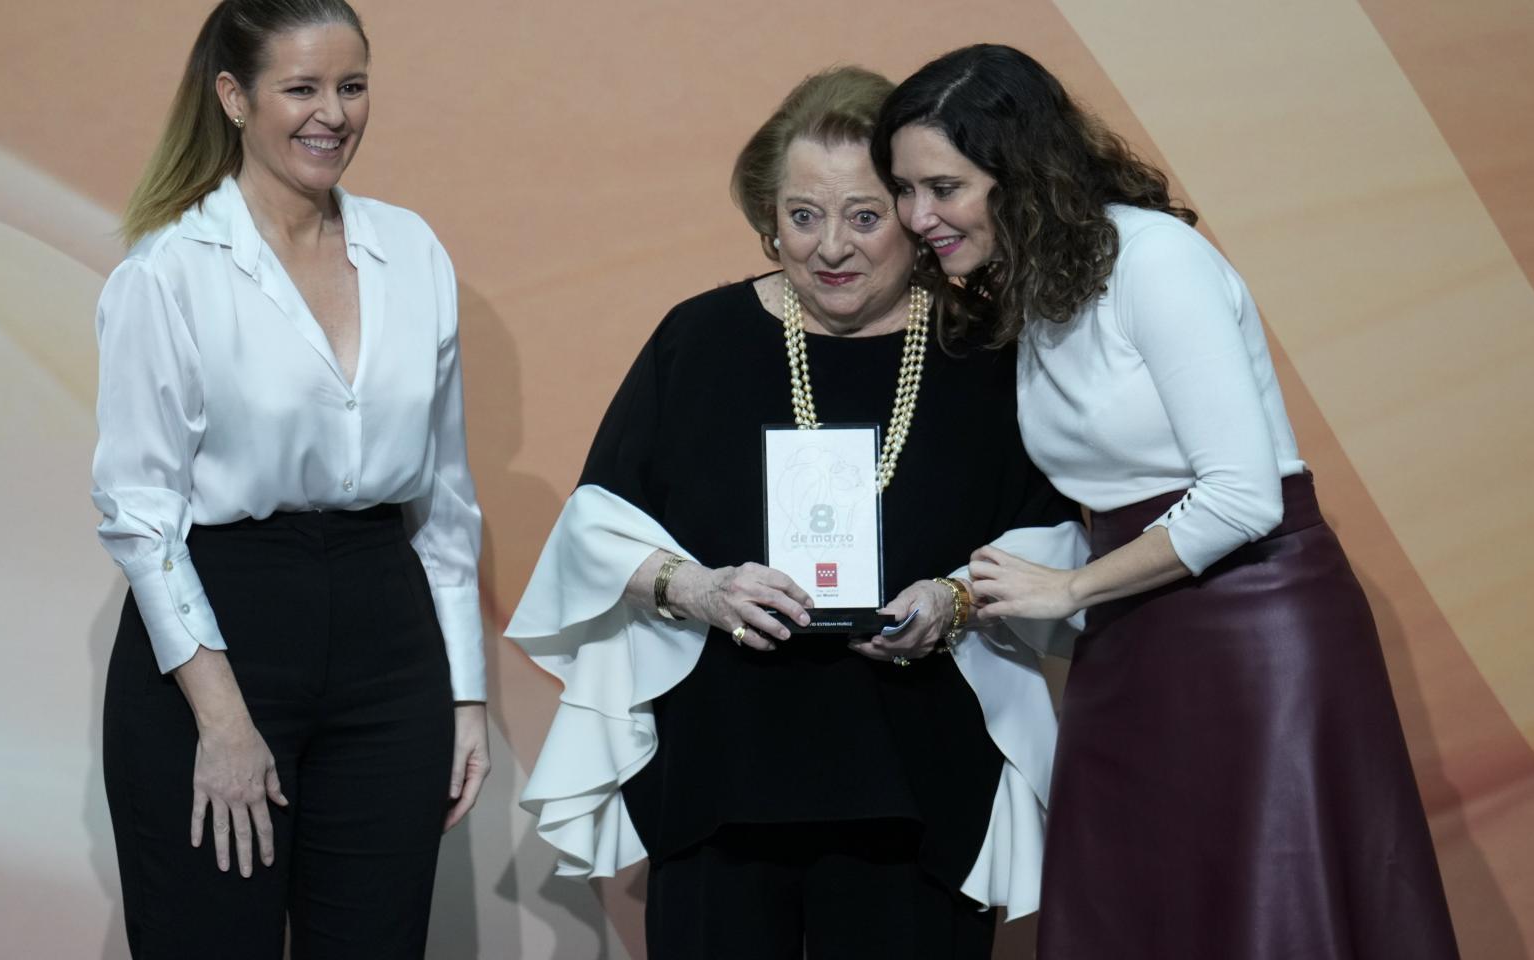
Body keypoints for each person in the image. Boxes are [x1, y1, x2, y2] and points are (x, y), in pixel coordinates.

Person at [875, 43, 1460, 959]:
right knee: (1133, 905)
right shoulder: (1029, 289)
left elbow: (1240, 497)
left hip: (1260, 628)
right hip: (1130, 633)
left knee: (1271, 910)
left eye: (942, 188)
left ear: (1020, 170)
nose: (919, 216)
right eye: (905, 191)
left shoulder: (1156, 259)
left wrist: (1067, 591)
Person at [506, 66, 1085, 959]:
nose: (831, 248)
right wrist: (697, 589)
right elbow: (597, 527)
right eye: (802, 216)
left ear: (916, 216)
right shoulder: (697, 340)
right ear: (767, 220)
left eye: (864, 215)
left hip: (920, 781)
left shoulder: (986, 348)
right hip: (722, 775)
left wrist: (954, 600)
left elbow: (1053, 540)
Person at [92, 2, 489, 956]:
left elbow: (444, 500)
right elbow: (141, 517)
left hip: (388, 647)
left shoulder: (413, 252)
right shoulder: (170, 271)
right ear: (233, 97)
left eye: (351, 87)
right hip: (220, 642)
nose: (334, 114)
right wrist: (223, 723)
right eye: (302, 89)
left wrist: (464, 695)